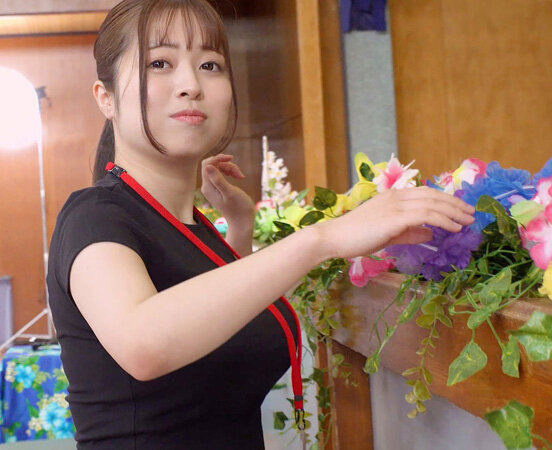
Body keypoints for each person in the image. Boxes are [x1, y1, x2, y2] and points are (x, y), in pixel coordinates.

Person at [45, 0, 476, 448]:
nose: (191, 85)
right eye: (160, 63)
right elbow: (144, 344)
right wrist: (323, 238)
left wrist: (240, 229)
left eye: (210, 65)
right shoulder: (93, 216)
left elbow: (214, 330)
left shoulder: (192, 226)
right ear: (106, 97)